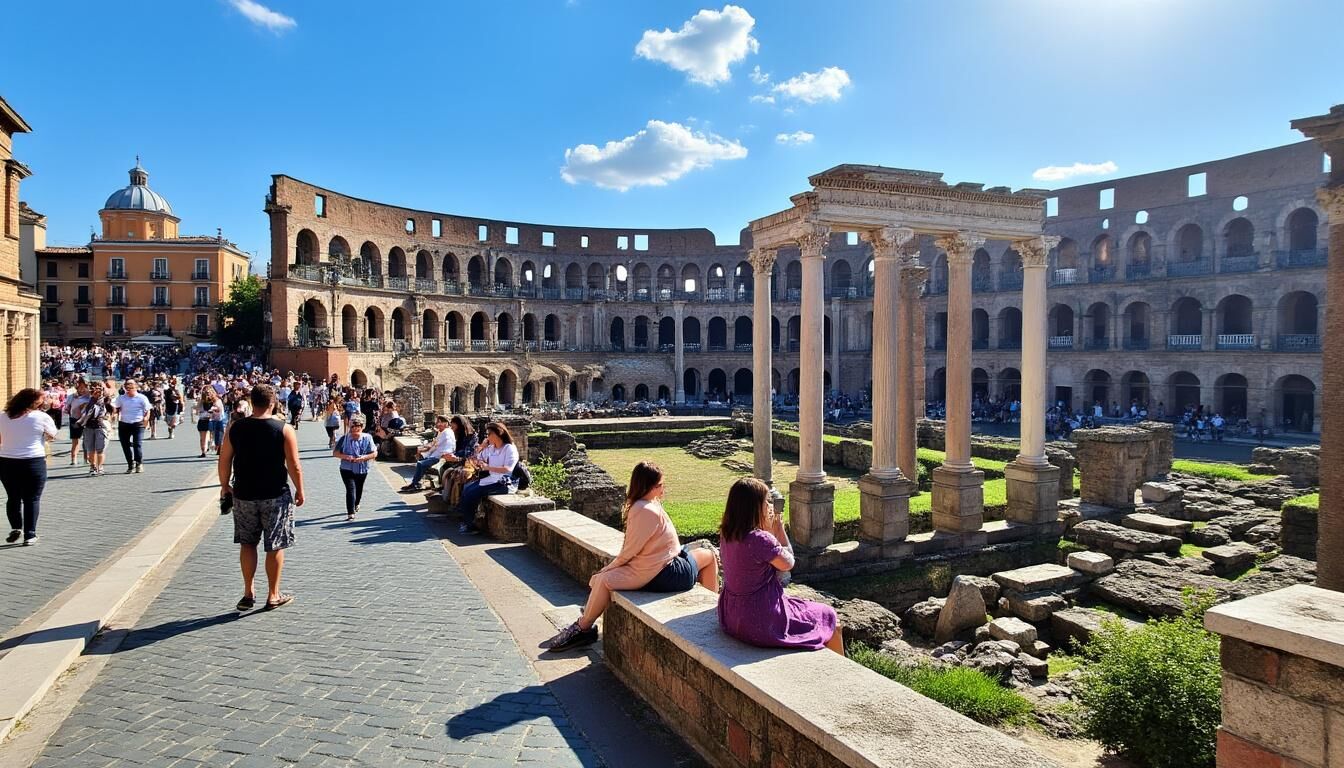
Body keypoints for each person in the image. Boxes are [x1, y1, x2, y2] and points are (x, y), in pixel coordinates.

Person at [545, 462, 719, 651]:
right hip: (668, 573)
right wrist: (609, 569)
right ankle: (713, 615)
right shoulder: (646, 509)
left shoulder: (646, 505)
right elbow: (630, 551)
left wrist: (608, 569)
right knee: (709, 556)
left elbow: (632, 551)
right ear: (647, 487)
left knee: (604, 579)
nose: (663, 489)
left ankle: (583, 626)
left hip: (663, 566)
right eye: (659, 485)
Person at [717, 477, 843, 655]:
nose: (770, 506)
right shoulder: (760, 539)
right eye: (767, 501)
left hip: (730, 616)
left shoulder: (727, 533)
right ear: (755, 507)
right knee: (828, 616)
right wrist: (778, 530)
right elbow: (788, 563)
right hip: (759, 620)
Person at [218, 384, 304, 611]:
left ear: (251, 402)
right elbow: (294, 464)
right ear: (273, 402)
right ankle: (273, 594)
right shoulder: (284, 429)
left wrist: (225, 486)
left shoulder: (235, 428)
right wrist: (300, 489)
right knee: (275, 545)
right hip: (275, 493)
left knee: (247, 544)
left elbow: (224, 460)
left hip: (243, 494)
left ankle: (248, 592)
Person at [0, 388, 57, 545]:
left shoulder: (3, 416)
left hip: (6, 461)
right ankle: (30, 534)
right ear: (33, 402)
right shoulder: (41, 417)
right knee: (32, 499)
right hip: (33, 460)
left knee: (13, 497)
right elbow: (52, 435)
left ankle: (16, 527)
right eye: (40, 400)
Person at [456, 421, 519, 534]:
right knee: (466, 489)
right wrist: (481, 447)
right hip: (491, 479)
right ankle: (467, 521)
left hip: (504, 482)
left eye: (489, 434)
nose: (487, 437)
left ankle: (470, 524)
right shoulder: (491, 448)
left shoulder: (509, 448)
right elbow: (475, 458)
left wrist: (488, 467)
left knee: (472, 493)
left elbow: (508, 469)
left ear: (498, 434)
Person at [334, 414, 376, 520]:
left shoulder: (368, 438)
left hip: (362, 468)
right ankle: (350, 512)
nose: (355, 430)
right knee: (350, 489)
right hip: (346, 468)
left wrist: (364, 458)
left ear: (362, 427)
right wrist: (346, 457)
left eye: (358, 427)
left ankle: (357, 503)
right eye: (352, 427)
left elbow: (374, 453)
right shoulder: (344, 439)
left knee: (359, 488)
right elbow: (335, 453)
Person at [402, 415, 455, 492]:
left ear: (445, 423)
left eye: (440, 422)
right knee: (421, 461)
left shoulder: (446, 432)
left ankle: (414, 483)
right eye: (438, 422)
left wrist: (425, 450)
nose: (438, 424)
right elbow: (434, 444)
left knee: (421, 463)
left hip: (441, 456)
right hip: (437, 455)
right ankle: (416, 483)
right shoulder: (442, 432)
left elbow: (435, 445)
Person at [438, 415, 478, 509]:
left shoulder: (472, 436)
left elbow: (468, 453)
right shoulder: (456, 434)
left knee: (451, 472)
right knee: (442, 467)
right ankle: (446, 493)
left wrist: (456, 457)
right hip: (456, 458)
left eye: (453, 425)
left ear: (459, 424)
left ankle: (454, 500)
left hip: (466, 461)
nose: (451, 428)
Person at [114, 379, 152, 474]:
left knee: (137, 444)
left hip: (138, 423)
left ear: (136, 386)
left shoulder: (142, 398)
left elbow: (147, 410)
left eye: (131, 385)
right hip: (124, 423)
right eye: (127, 385)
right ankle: (130, 464)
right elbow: (116, 409)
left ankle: (139, 463)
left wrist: (146, 420)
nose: (129, 387)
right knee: (125, 445)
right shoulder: (121, 398)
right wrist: (113, 415)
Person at [80, 382, 113, 476]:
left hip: (101, 427)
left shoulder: (106, 400)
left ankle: (100, 467)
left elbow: (112, 411)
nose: (97, 390)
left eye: (99, 388)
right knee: (91, 449)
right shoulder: (87, 400)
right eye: (94, 388)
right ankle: (92, 467)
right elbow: (83, 411)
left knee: (100, 449)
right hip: (89, 427)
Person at [63, 380, 91, 465]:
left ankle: (86, 458)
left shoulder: (89, 396)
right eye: (80, 387)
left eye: (84, 387)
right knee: (75, 440)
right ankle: (73, 458)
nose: (82, 389)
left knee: (86, 440)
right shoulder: (72, 396)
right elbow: (66, 408)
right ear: (77, 388)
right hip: (74, 419)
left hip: (86, 419)